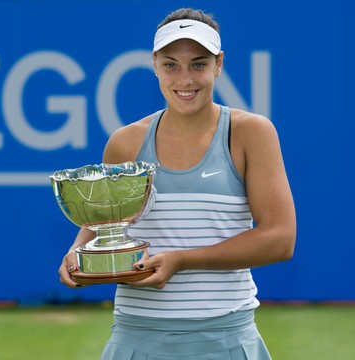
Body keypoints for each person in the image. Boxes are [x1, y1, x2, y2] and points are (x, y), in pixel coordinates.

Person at [58, 7, 296, 360]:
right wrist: (78, 254)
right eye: (171, 64)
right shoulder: (124, 142)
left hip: (227, 339)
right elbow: (102, 226)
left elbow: (280, 239)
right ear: (154, 64)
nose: (184, 79)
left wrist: (182, 260)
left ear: (219, 64)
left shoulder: (250, 133)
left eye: (198, 64)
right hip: (136, 338)